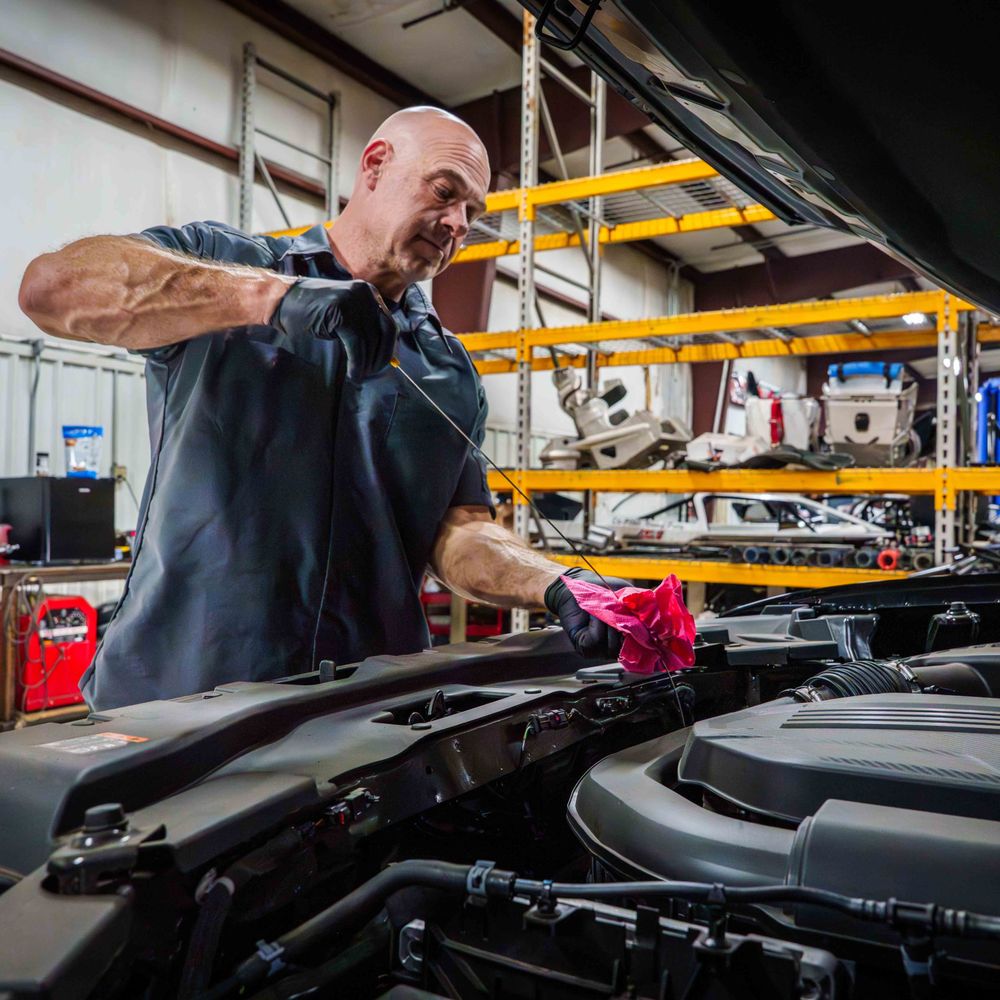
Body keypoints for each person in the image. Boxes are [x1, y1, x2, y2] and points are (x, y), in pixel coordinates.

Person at [18, 106, 626, 710]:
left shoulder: (448, 372)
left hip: (364, 715)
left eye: (473, 213)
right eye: (445, 192)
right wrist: (273, 298)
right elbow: (51, 289)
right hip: (178, 695)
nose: (456, 224)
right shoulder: (225, 269)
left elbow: (456, 533)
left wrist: (553, 582)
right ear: (376, 165)